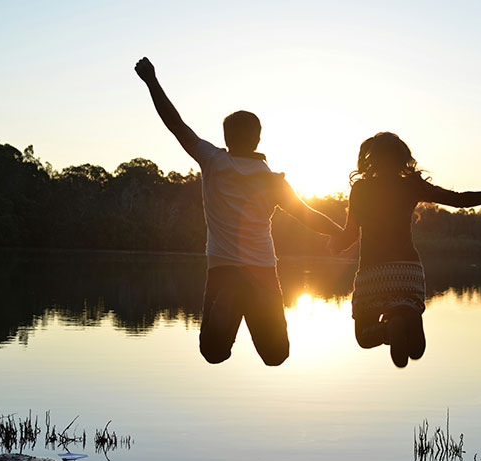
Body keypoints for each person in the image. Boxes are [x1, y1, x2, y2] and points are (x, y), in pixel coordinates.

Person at [134, 57, 342, 366]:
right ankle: (246, 298)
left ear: (227, 138)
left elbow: (175, 124)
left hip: (223, 271)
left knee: (213, 353)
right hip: (262, 272)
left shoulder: (214, 161)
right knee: (276, 355)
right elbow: (306, 214)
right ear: (258, 137)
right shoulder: (273, 181)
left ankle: (231, 300)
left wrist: (151, 81)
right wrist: (343, 233)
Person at [328, 132, 481, 368]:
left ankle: (389, 329)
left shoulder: (361, 189)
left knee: (365, 338)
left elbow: (350, 235)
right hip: (407, 272)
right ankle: (403, 319)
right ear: (402, 158)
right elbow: (461, 200)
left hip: (373, 273)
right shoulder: (411, 185)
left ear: (371, 158)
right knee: (415, 350)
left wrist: (335, 245)